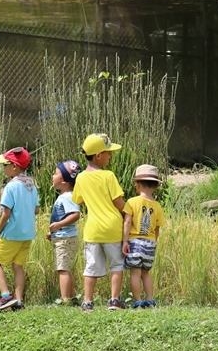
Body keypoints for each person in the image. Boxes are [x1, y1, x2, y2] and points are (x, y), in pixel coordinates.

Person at [72, 133, 127, 312]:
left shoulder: (80, 178)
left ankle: (87, 302)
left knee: (91, 267)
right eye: (108, 152)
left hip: (93, 230)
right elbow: (119, 203)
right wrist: (130, 212)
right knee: (117, 265)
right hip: (112, 228)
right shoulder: (108, 176)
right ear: (98, 155)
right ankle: (114, 301)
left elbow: (78, 200)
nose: (110, 155)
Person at [0, 147, 39, 311]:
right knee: (18, 266)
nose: (3, 168)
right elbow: (36, 210)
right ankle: (18, 301)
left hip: (11, 234)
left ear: (15, 166)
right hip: (27, 234)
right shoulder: (31, 185)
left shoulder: (10, 187)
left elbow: (6, 213)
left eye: (5, 164)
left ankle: (5, 296)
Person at [122, 164, 165, 309]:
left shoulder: (132, 202)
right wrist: (153, 242)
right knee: (146, 273)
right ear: (155, 186)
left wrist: (124, 241)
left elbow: (127, 222)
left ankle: (138, 302)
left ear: (138, 184)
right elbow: (157, 228)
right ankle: (150, 300)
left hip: (134, 242)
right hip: (150, 243)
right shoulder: (157, 206)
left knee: (135, 273)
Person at [48, 160, 82, 306]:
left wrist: (60, 225)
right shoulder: (64, 196)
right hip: (63, 237)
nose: (52, 176)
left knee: (62, 269)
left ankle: (65, 299)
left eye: (55, 173)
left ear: (64, 181)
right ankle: (72, 297)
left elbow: (75, 214)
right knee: (66, 268)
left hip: (66, 239)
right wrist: (54, 232)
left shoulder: (68, 197)